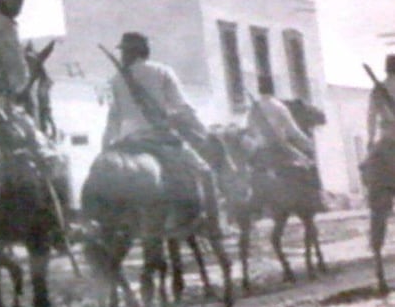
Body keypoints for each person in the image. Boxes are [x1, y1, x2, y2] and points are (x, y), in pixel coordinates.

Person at [101, 31, 219, 232]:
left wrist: (105, 149)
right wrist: (202, 132)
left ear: (127, 53)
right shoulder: (162, 71)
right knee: (206, 172)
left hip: (127, 142)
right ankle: (214, 227)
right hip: (160, 139)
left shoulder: (116, 80)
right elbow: (183, 108)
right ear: (145, 51)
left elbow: (113, 119)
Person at [245, 75, 316, 170]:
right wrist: (309, 144)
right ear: (273, 88)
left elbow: (249, 131)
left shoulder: (253, 109)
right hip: (280, 150)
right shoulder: (279, 107)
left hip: (261, 152)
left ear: (259, 90)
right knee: (308, 166)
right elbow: (293, 131)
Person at [361, 54, 395, 214]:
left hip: (386, 138)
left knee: (368, 167)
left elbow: (371, 118)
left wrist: (370, 140)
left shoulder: (378, 89)